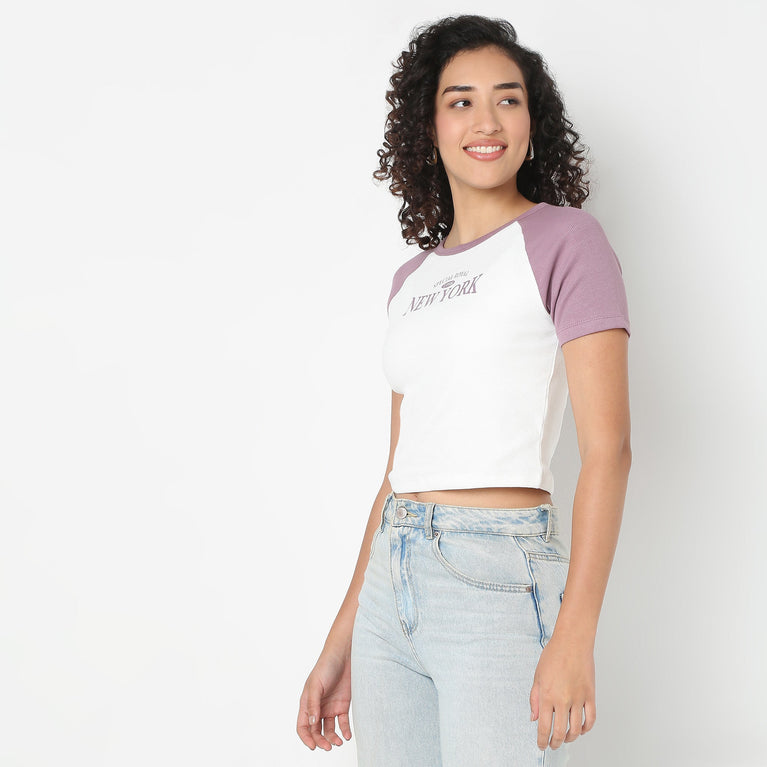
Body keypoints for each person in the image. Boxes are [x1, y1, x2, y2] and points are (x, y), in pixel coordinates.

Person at [296, 14, 631, 766]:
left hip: (497, 577)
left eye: (508, 99)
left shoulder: (565, 241)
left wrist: (574, 635)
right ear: (430, 126)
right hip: (390, 584)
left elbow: (609, 449)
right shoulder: (410, 281)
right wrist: (341, 637)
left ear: (532, 122)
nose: (486, 121)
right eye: (461, 101)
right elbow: (397, 473)